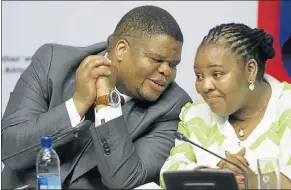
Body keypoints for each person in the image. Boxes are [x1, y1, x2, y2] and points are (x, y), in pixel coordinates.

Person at [1, 5, 192, 189]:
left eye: (173, 65)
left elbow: (124, 180)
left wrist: (106, 102)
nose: (167, 71)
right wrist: (77, 105)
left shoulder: (173, 106)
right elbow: (9, 150)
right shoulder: (53, 63)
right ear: (121, 50)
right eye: (157, 59)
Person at [160, 23, 291, 189]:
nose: (204, 86)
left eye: (217, 74)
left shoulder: (286, 106)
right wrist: (215, 176)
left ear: (250, 70)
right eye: (199, 76)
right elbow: (169, 172)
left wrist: (254, 181)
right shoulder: (195, 114)